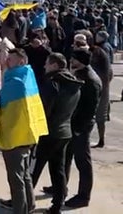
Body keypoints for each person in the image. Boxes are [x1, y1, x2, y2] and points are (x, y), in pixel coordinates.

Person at [0, 48, 48, 213]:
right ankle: (30, 204)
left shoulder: (15, 81)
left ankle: (20, 210)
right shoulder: (28, 76)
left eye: (10, 59)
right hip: (29, 134)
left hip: (15, 136)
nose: (6, 62)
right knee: (25, 174)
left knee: (16, 178)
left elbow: (2, 105)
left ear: (21, 62)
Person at [31, 52, 81, 214]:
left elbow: (44, 109)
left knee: (33, 168)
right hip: (64, 131)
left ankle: (22, 200)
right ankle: (57, 205)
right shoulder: (74, 84)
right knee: (58, 170)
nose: (44, 66)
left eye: (47, 63)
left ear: (54, 65)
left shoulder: (52, 83)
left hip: (48, 132)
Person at [63, 48, 102, 209]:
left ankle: (83, 196)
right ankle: (60, 186)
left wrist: (79, 128)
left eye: (73, 59)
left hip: (81, 126)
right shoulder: (82, 73)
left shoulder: (90, 80)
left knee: (83, 162)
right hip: (74, 124)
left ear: (80, 60)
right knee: (66, 156)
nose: (71, 61)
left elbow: (89, 108)